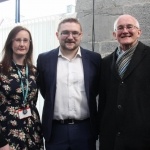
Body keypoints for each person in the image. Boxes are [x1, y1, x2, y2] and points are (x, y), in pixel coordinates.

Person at [37, 18, 101, 150]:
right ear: (57, 35)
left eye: (75, 33)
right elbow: (46, 90)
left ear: (81, 35)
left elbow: (95, 89)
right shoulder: (44, 59)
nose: (70, 37)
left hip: (85, 129)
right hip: (55, 131)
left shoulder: (94, 59)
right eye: (65, 32)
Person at [98, 14, 150, 150]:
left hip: (142, 139)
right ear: (114, 34)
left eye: (129, 27)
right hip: (112, 139)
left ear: (139, 32)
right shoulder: (105, 62)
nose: (125, 31)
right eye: (120, 28)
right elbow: (103, 101)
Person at [0, 26, 44, 150]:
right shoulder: (1, 70)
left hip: (32, 130)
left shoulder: (34, 71)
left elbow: (33, 101)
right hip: (8, 131)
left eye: (25, 40)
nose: (22, 44)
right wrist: (1, 142)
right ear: (10, 42)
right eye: (17, 40)